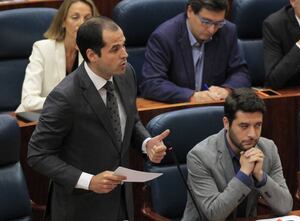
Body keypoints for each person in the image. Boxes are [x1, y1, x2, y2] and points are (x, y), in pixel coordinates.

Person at [27, 16, 169, 221]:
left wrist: (147, 144)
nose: (125, 54)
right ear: (92, 55)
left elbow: (130, 120)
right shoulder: (65, 97)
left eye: (124, 45)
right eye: (115, 49)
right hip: (80, 208)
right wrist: (89, 181)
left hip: (122, 201)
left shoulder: (126, 74)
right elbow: (37, 154)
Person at [182, 88, 292, 221]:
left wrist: (261, 177)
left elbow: (285, 206)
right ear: (226, 123)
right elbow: (214, 214)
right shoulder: (199, 156)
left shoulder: (268, 149)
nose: (252, 134)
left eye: (258, 125)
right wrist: (244, 174)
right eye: (244, 126)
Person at [140, 0, 250, 103]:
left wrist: (227, 90)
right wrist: (192, 96)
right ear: (190, 11)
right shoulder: (164, 37)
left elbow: (240, 72)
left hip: (215, 110)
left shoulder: (227, 32)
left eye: (218, 23)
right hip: (177, 111)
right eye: (206, 22)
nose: (212, 30)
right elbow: (151, 83)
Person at [16, 0, 99, 112]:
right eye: (75, 17)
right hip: (35, 119)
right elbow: (28, 101)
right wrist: (67, 102)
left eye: (88, 18)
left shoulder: (94, 53)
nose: (82, 23)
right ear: (63, 21)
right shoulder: (42, 49)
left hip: (75, 120)